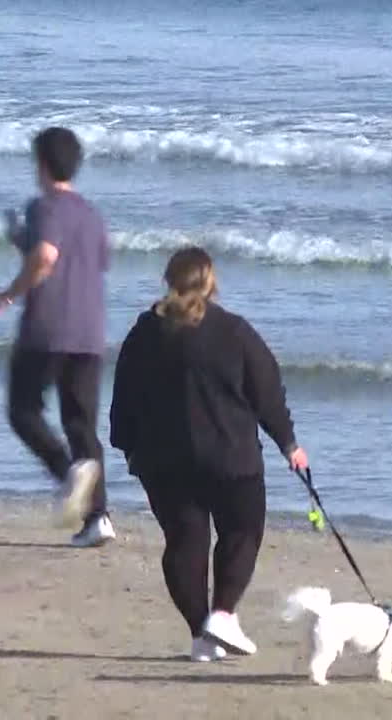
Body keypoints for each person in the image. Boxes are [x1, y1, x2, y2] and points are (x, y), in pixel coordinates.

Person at [109, 247, 309, 661]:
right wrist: (288, 443)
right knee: (242, 531)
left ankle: (203, 633)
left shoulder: (144, 333)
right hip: (230, 457)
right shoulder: (233, 331)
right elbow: (267, 391)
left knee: (185, 543)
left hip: (163, 462)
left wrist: (127, 446)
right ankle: (220, 615)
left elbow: (123, 395)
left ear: (169, 281)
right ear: (210, 282)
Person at [0, 126, 115, 548]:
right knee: (82, 425)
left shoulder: (45, 205)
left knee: (22, 411)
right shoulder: (92, 214)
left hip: (46, 329)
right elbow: (90, 260)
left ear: (41, 164)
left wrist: (9, 294)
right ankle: (98, 518)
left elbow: (47, 257)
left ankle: (68, 475)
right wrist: (21, 238)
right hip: (90, 331)